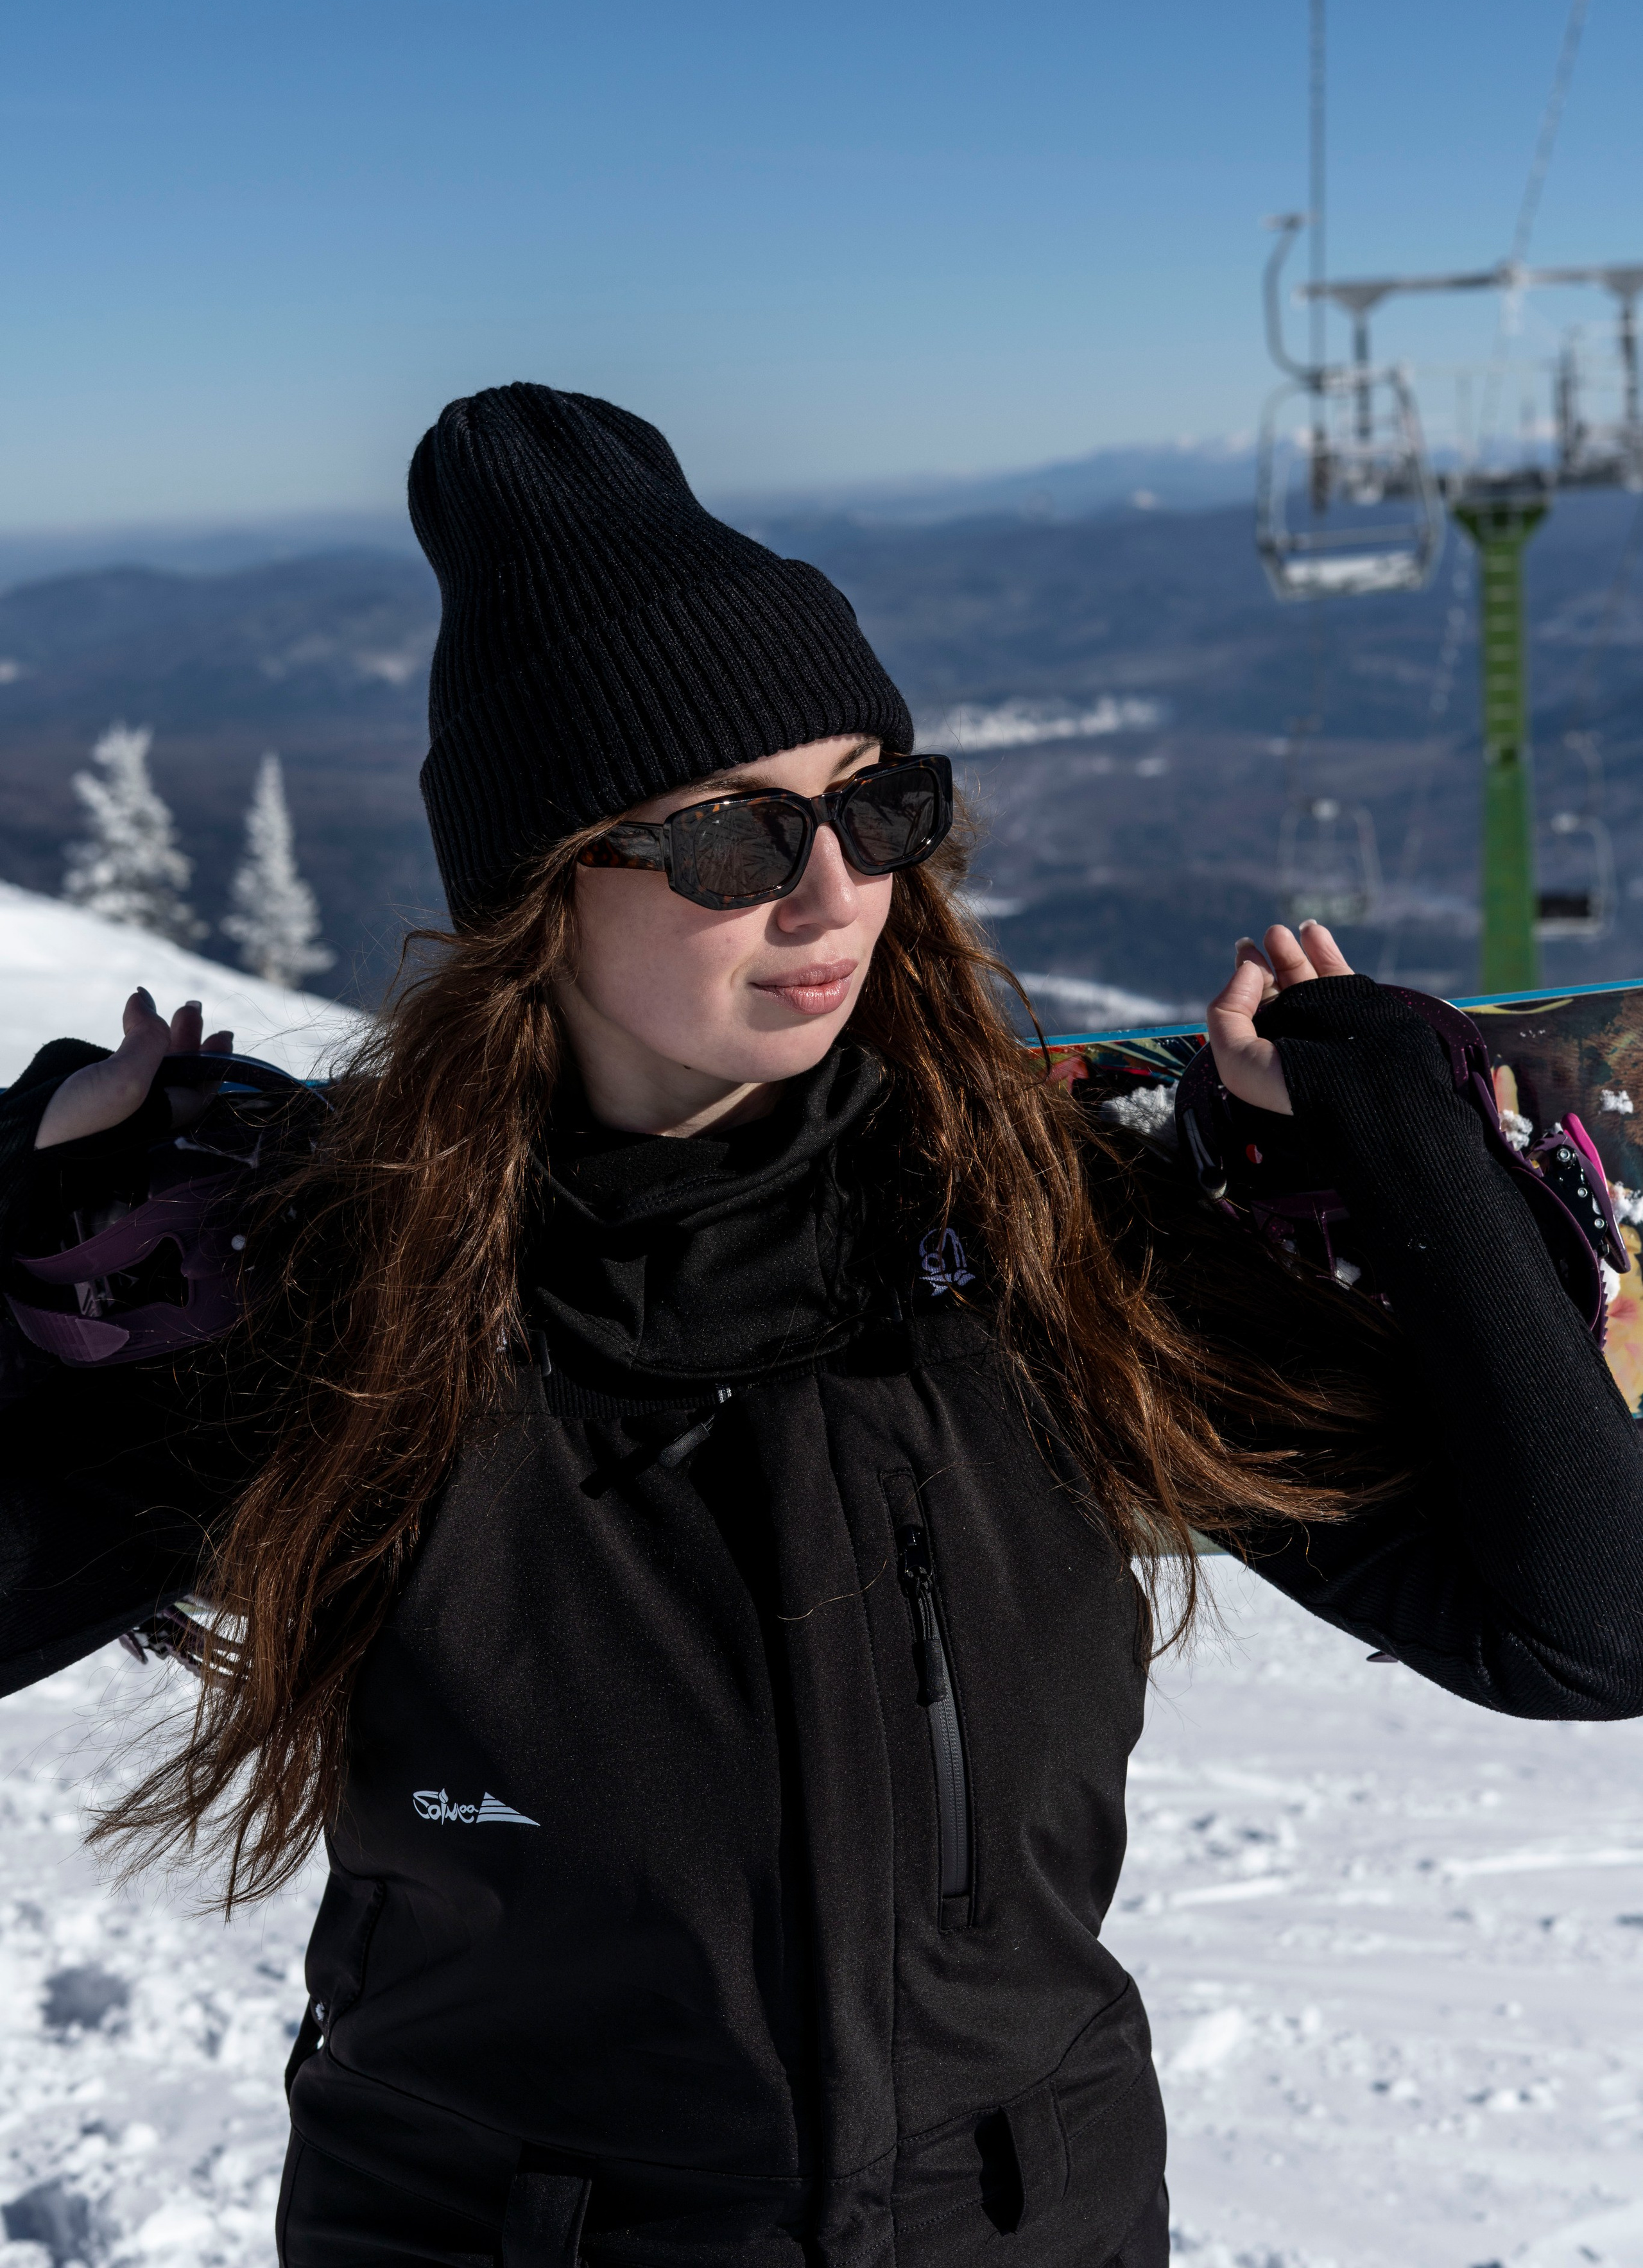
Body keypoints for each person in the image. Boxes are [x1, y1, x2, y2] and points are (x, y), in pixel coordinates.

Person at [3, 384, 1640, 2268]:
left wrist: (1414, 1167)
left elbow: (1585, 1628)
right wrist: (34, 1245)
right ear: (543, 894)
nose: (836, 887)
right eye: (729, 838)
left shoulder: (1040, 1247)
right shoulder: (350, 1303)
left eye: (878, 803)